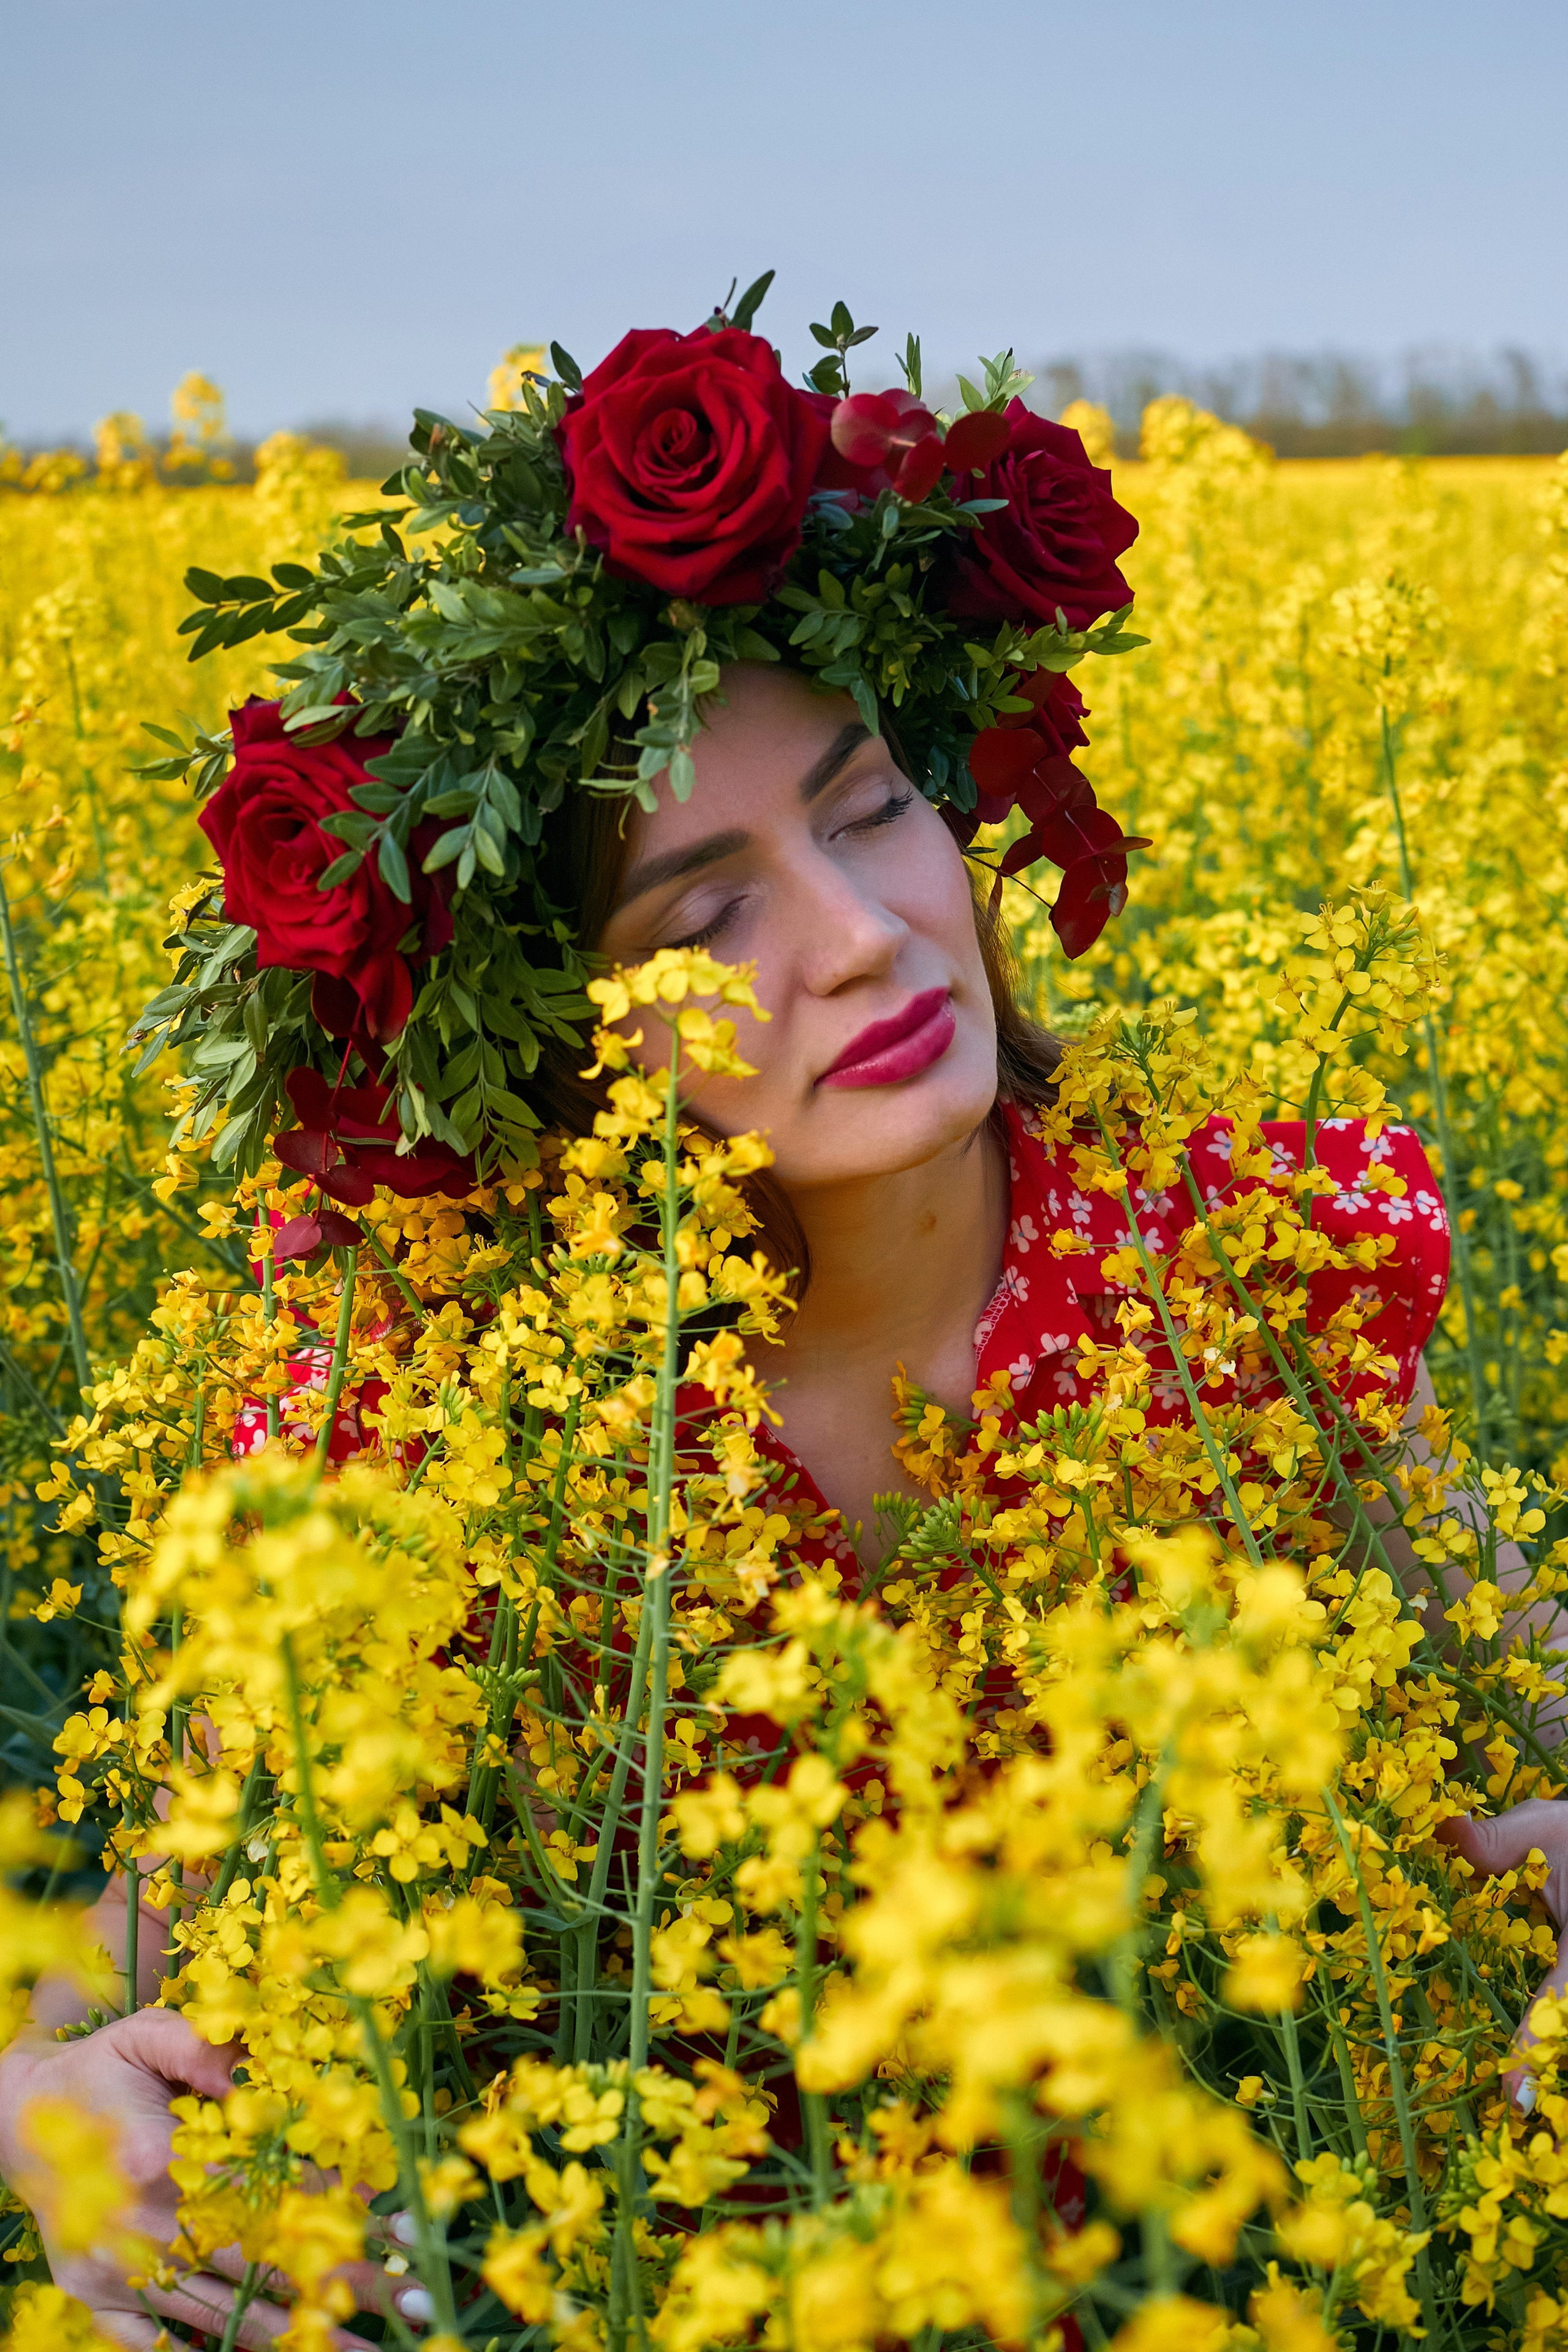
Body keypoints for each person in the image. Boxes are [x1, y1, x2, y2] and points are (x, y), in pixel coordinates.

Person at [4, 298, 1566, 2344]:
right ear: (554, 1034)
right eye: (705, 915)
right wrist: (42, 2103)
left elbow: (1512, 1693)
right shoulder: (453, 1407)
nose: (860, 935)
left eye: (868, 810)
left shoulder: (1238, 1273)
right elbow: (150, 1928)